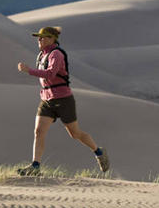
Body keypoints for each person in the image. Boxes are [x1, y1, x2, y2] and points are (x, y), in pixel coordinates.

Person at [16, 26, 109, 176]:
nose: (39, 40)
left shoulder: (56, 54)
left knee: (75, 133)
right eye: (38, 37)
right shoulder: (42, 55)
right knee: (39, 132)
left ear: (52, 39)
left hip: (63, 99)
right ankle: (35, 166)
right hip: (47, 100)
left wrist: (29, 71)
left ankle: (98, 152)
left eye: (43, 37)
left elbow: (51, 74)